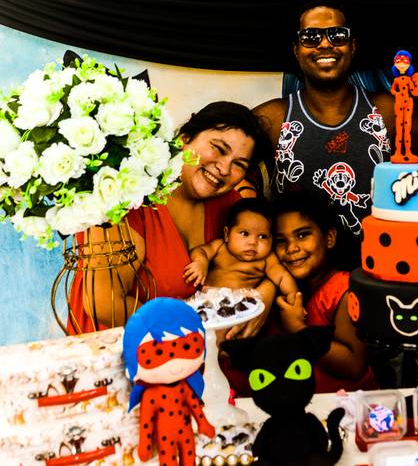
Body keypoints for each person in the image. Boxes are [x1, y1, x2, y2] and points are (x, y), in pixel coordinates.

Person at [252, 2, 418, 270]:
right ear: (296, 50)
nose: (324, 44)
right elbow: (220, 155)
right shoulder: (275, 118)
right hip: (301, 286)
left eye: (337, 35)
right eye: (311, 37)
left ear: (352, 47)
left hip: (379, 273)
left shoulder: (386, 111)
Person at [66, 101, 275, 340]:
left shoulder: (230, 206)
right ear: (184, 139)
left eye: (239, 164)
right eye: (218, 148)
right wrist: (191, 327)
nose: (224, 168)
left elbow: (268, 258)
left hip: (189, 358)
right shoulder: (129, 197)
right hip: (117, 354)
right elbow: (104, 304)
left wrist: (265, 295)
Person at [271, 191, 377, 392]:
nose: (291, 248)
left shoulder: (344, 290)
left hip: (347, 409)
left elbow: (355, 365)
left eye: (302, 235)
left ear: (329, 238)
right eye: (280, 240)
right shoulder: (288, 290)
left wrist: (298, 329)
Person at [183, 198, 298, 301]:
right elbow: (200, 251)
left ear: (271, 239)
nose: (253, 242)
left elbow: (283, 277)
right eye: (244, 233)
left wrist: (293, 297)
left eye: (262, 236)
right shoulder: (220, 247)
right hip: (206, 299)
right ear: (227, 234)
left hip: (241, 306)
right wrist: (201, 262)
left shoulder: (267, 260)